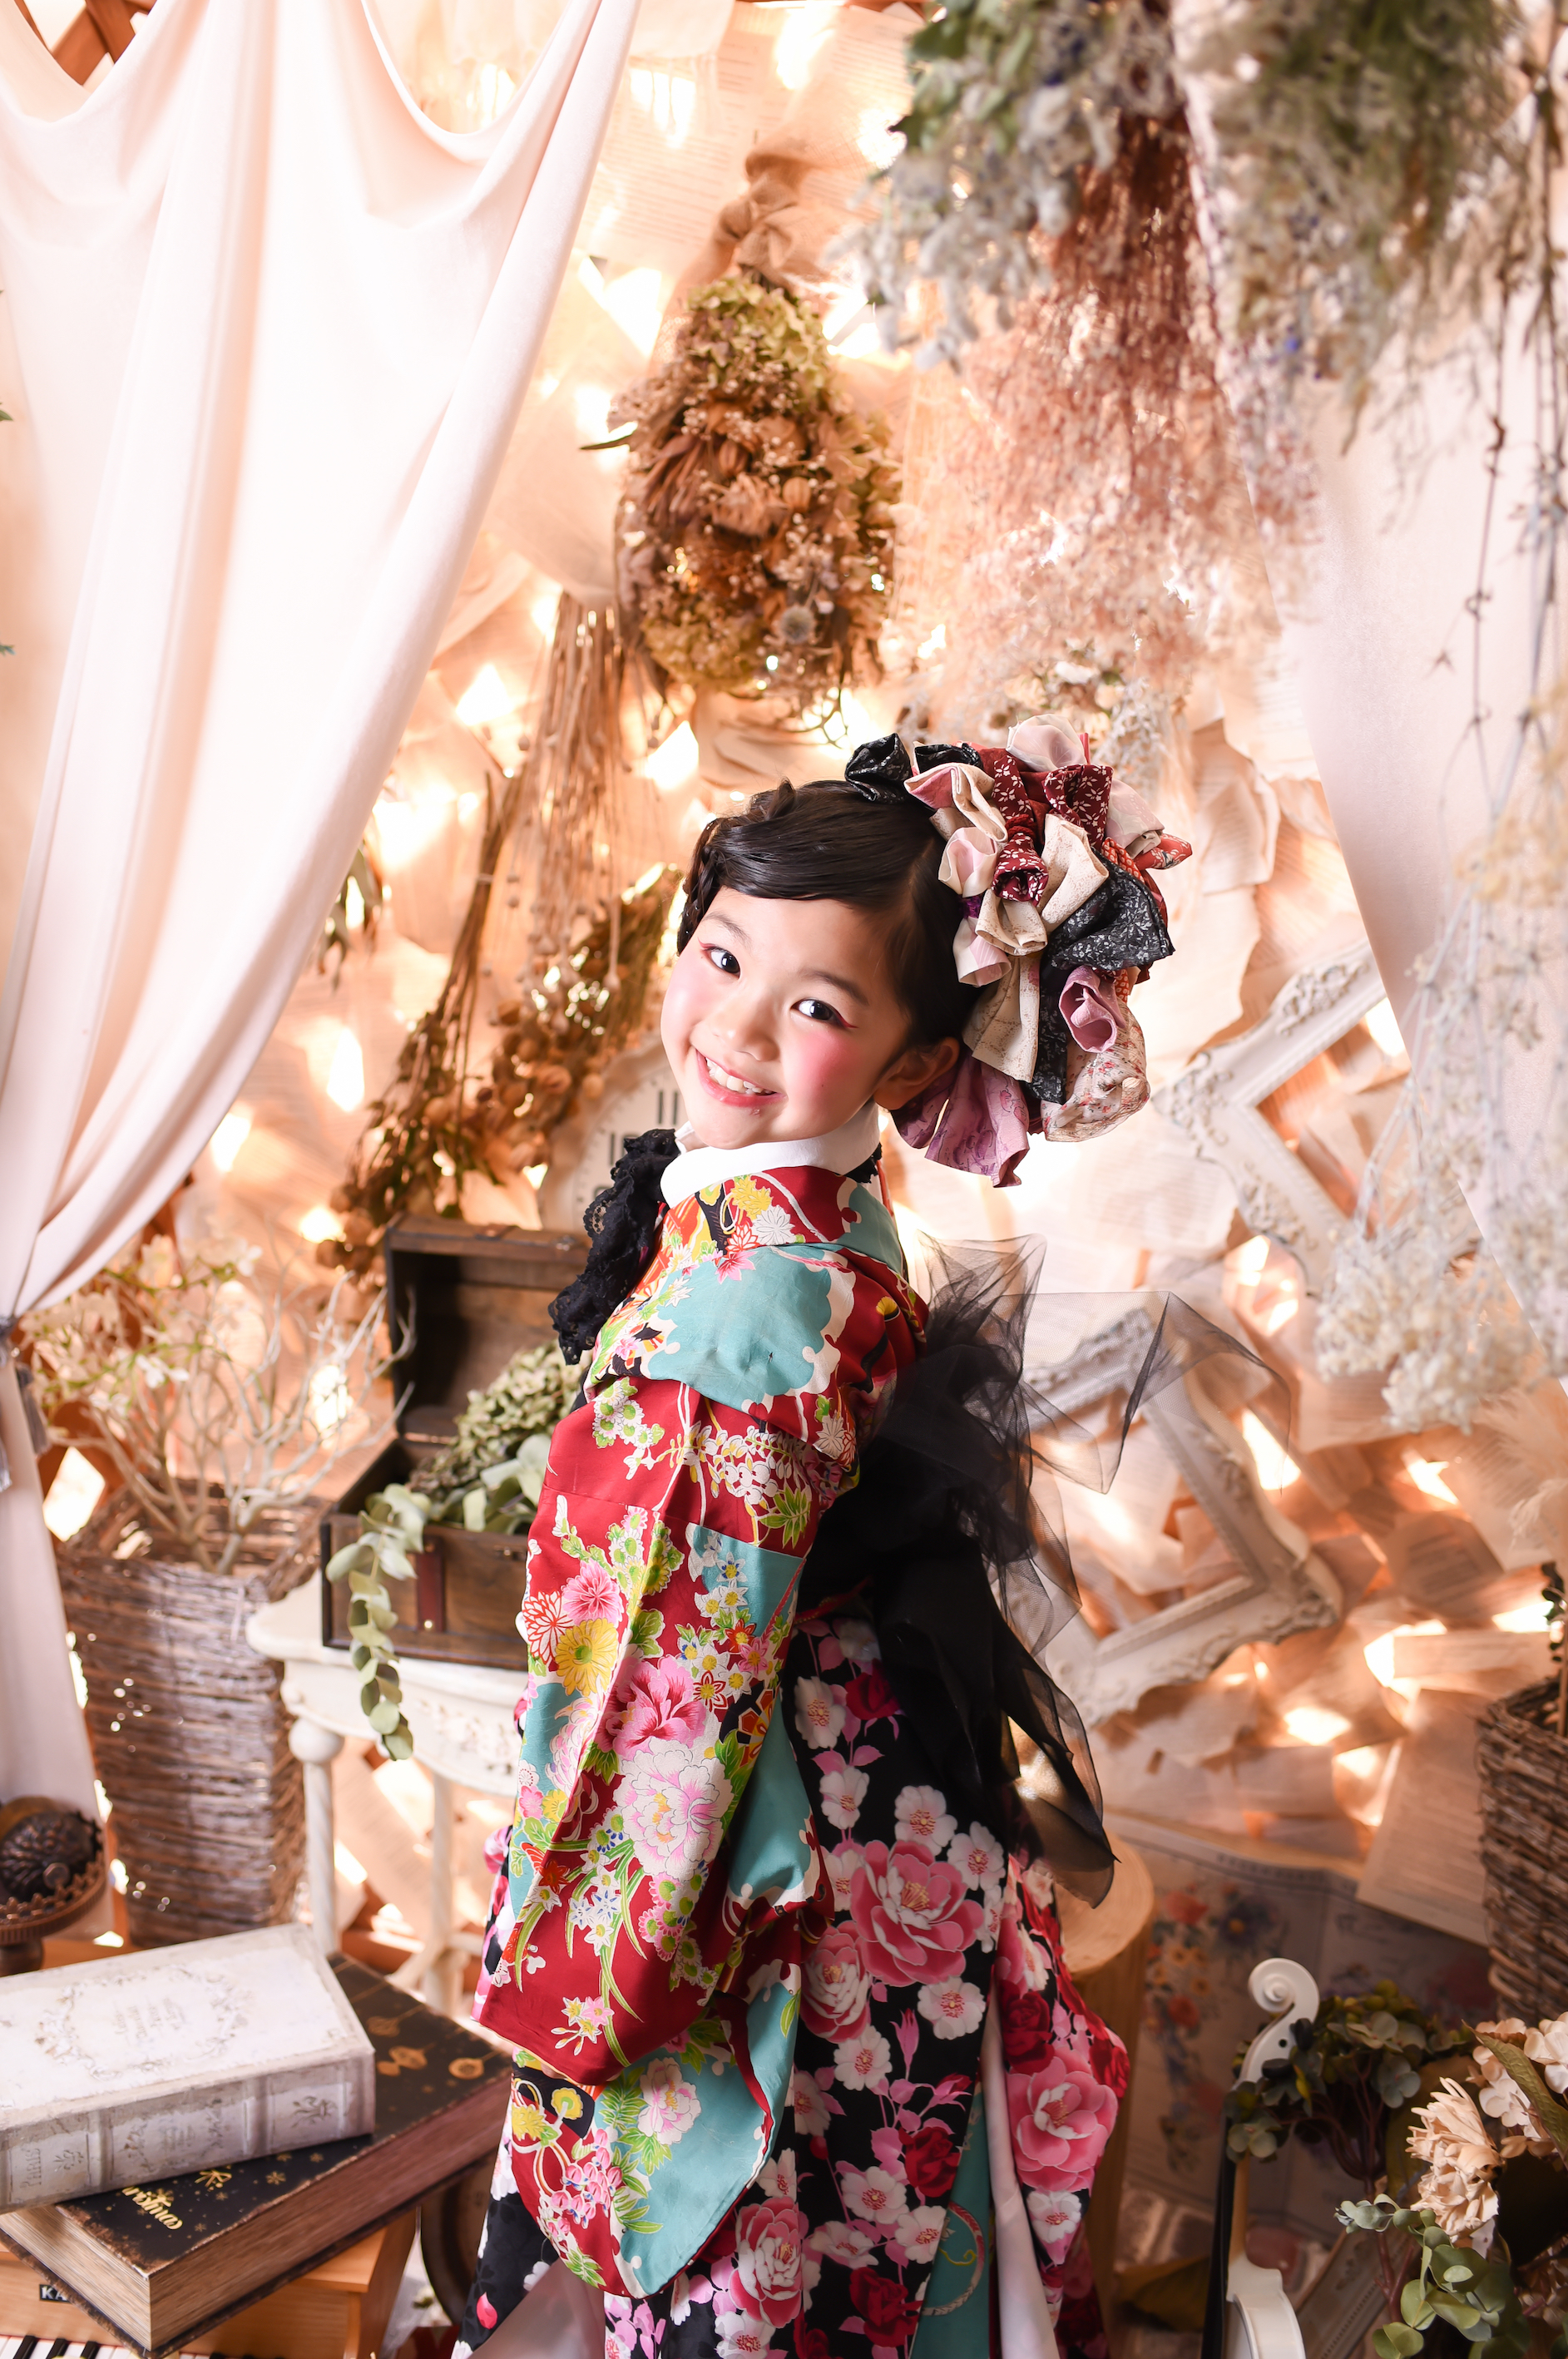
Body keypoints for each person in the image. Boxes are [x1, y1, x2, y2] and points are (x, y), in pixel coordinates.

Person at [456, 727, 1192, 2358]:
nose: (731, 1025)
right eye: (723, 953)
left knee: (730, 2246)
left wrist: (584, 1967)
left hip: (750, 1843)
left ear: (917, 1064)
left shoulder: (754, 1301)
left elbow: (672, 1682)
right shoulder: (815, 1218)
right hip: (867, 1788)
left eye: (814, 1004)